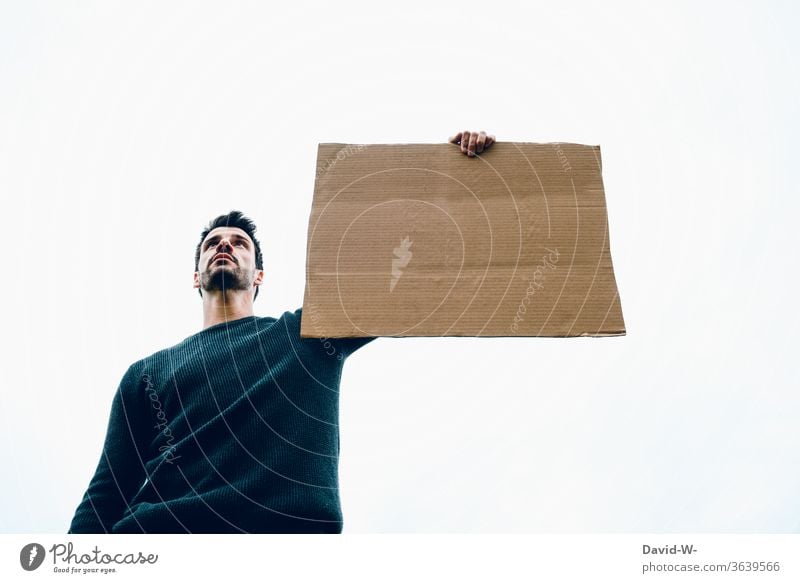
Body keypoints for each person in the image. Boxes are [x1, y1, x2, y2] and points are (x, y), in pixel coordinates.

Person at [67, 130, 496, 533]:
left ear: (259, 277)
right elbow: (105, 495)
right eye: (213, 242)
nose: (224, 245)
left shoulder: (306, 337)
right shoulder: (145, 374)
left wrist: (461, 176)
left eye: (239, 243)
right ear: (195, 278)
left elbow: (408, 275)